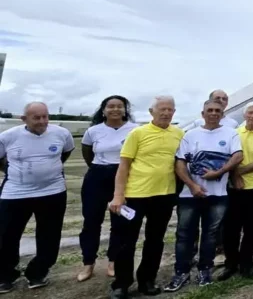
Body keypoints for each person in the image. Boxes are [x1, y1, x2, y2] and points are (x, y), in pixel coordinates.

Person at [108, 95, 184, 299]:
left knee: (155, 240)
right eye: (162, 109)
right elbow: (123, 166)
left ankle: (147, 280)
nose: (166, 113)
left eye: (170, 109)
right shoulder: (138, 133)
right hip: (135, 196)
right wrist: (118, 195)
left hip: (164, 196)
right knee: (126, 241)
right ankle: (121, 284)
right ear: (152, 112)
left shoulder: (179, 134)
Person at [164, 99, 243, 292]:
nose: (214, 113)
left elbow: (238, 156)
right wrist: (191, 185)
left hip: (218, 195)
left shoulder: (231, 133)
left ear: (222, 114)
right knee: (185, 236)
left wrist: (218, 172)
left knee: (211, 235)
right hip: (189, 195)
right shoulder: (190, 135)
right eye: (210, 110)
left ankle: (204, 270)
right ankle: (181, 272)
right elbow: (180, 163)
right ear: (203, 113)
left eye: (218, 110)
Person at [0, 102, 75, 293]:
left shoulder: (61, 134)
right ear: (24, 119)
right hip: (15, 193)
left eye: (45, 116)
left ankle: (37, 273)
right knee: (6, 235)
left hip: (52, 192)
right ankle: (5, 276)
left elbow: (65, 153)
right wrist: (15, 172)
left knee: (49, 235)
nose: (43, 121)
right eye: (37, 118)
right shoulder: (8, 137)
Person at [78, 96, 138, 282]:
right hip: (96, 177)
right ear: (103, 110)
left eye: (120, 106)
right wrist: (99, 168)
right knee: (91, 222)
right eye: (110, 106)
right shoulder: (93, 131)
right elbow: (87, 152)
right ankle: (88, 263)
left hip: (123, 178)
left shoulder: (135, 129)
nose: (115, 110)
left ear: (125, 110)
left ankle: (113, 261)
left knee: (120, 223)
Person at [220, 102, 253, 280]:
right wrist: (234, 176)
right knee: (231, 229)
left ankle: (245, 264)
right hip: (234, 189)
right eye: (250, 113)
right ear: (245, 115)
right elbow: (229, 157)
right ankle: (231, 264)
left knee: (252, 229)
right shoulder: (235, 133)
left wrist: (238, 172)